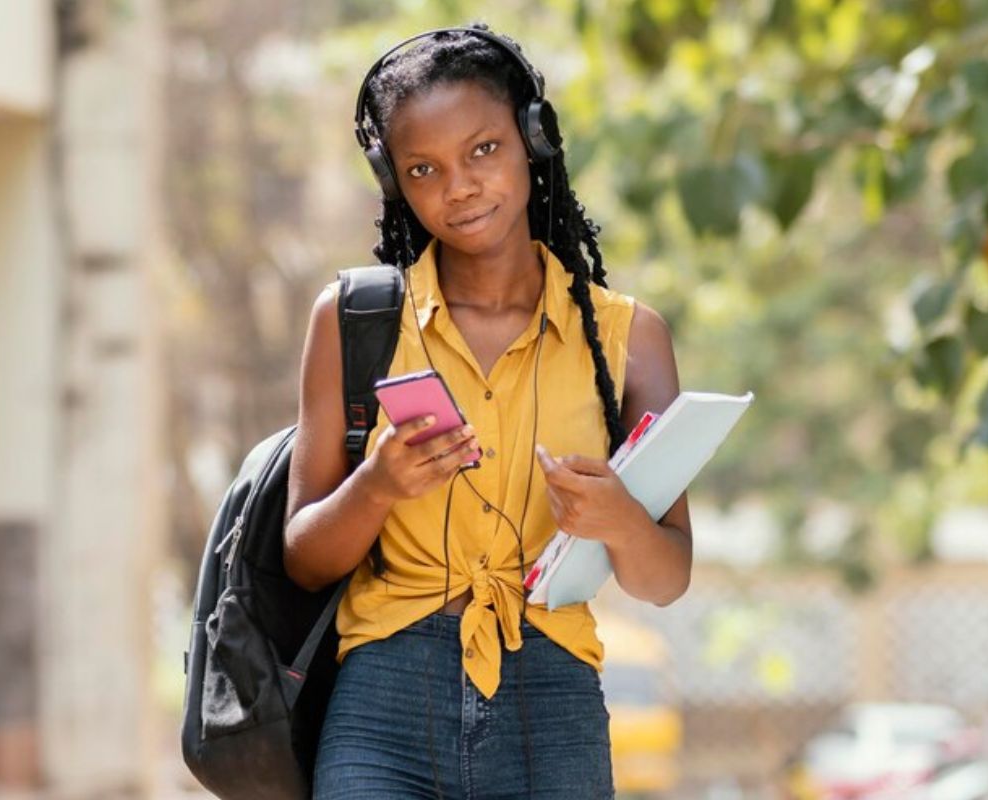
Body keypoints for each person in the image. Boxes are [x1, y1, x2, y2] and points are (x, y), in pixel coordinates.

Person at [283, 23, 693, 800]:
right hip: (383, 701)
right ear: (394, 180)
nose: (460, 187)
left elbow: (667, 577)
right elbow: (303, 558)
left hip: (554, 696)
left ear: (534, 139)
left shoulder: (628, 340)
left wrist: (619, 521)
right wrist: (376, 486)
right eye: (424, 168)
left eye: (483, 151)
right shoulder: (352, 320)